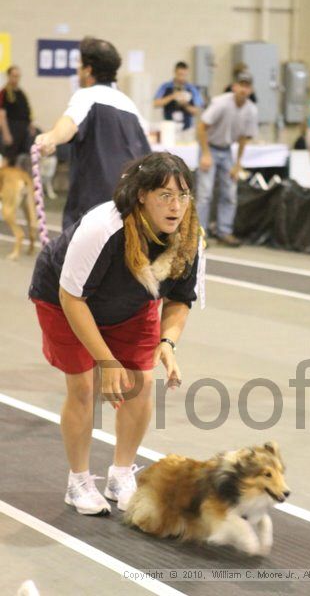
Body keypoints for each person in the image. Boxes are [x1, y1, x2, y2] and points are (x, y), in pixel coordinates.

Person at [29, 152, 202, 515]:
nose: (176, 206)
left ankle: (121, 474)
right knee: (83, 387)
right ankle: (78, 482)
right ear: (141, 195)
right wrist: (105, 361)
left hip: (132, 304)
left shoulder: (188, 238)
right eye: (165, 196)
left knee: (140, 383)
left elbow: (180, 300)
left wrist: (168, 342)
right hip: (64, 300)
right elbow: (71, 297)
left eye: (183, 196)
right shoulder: (105, 227)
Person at [36, 36, 151, 230]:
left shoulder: (87, 96)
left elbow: (70, 123)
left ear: (88, 70)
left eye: (79, 65)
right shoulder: (131, 107)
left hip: (93, 211)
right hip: (130, 207)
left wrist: (51, 138)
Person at [196, 71, 258, 247]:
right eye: (241, 85)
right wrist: (206, 154)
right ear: (234, 86)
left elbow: (244, 138)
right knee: (205, 194)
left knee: (230, 193)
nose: (243, 89)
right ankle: (199, 233)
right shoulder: (221, 104)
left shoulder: (251, 110)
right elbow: (201, 127)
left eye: (247, 86)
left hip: (227, 150)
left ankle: (224, 231)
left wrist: (238, 164)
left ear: (250, 89)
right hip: (210, 146)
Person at [153, 61, 203, 131]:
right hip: (169, 127)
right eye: (180, 74)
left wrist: (185, 105)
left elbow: (196, 111)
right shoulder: (165, 87)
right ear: (175, 72)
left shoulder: (192, 89)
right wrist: (172, 96)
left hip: (187, 127)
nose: (181, 78)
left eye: (184, 75)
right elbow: (155, 103)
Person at [0, 66, 35, 165]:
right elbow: (1, 115)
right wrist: (6, 133)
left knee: (22, 157)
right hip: (11, 128)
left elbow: (26, 112)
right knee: (8, 157)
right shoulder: (4, 92)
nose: (16, 78)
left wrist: (30, 126)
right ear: (8, 76)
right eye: (13, 76)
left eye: (18, 76)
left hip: (23, 130)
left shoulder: (21, 93)